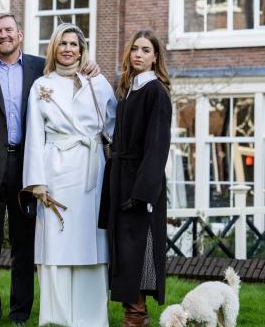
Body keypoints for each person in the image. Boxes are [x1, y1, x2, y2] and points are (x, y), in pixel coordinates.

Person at [0, 13, 100, 325]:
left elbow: (71, 73)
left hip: (29, 167)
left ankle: (20, 312)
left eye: (9, 30)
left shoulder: (40, 67)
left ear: (20, 35)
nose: (4, 36)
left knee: (25, 244)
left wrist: (91, 66)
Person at [22, 23, 117, 327]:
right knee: (57, 241)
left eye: (74, 44)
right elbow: (35, 134)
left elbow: (113, 128)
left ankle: (91, 317)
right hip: (56, 169)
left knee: (91, 241)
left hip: (92, 170)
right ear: (54, 48)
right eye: (62, 43)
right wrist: (37, 182)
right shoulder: (41, 86)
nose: (68, 49)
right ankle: (57, 317)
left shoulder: (97, 83)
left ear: (81, 48)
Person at [100, 29, 172, 327]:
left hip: (141, 187)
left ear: (156, 57)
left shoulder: (156, 92)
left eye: (145, 50)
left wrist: (142, 194)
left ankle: (136, 317)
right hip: (120, 180)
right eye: (135, 49)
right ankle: (133, 314)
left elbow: (157, 147)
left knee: (138, 253)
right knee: (123, 252)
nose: (138, 54)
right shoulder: (129, 88)